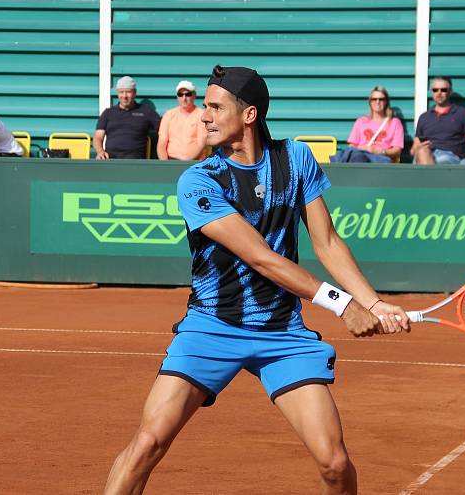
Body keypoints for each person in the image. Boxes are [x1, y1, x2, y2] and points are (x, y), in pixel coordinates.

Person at [105, 66, 410, 495]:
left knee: (335, 464)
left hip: (283, 333)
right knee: (147, 444)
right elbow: (262, 259)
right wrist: (344, 305)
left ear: (248, 115)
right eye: (204, 107)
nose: (203, 117)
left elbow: (327, 242)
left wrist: (374, 303)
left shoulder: (296, 158)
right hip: (212, 327)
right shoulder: (199, 180)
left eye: (215, 107)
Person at [411, 76, 465, 164]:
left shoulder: (462, 114)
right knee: (422, 152)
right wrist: (419, 148)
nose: (439, 93)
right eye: (435, 90)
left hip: (450, 156)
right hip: (426, 154)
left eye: (443, 90)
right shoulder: (424, 117)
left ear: (450, 92)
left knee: (442, 160)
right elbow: (413, 150)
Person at [93, 76, 161, 160]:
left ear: (135, 93)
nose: (124, 95)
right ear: (117, 93)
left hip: (134, 158)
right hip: (109, 157)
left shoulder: (146, 112)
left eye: (128, 92)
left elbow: (163, 128)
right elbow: (98, 137)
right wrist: (100, 152)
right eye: (121, 92)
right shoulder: (108, 113)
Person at [335, 86, 404, 163]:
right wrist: (363, 149)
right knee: (357, 156)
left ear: (386, 102)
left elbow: (397, 150)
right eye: (374, 99)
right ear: (370, 102)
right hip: (359, 155)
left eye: (381, 99)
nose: (377, 102)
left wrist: (381, 151)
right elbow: (352, 146)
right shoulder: (361, 121)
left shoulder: (394, 122)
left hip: (380, 158)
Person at [156, 80, 208, 161]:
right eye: (180, 94)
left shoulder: (202, 115)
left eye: (188, 94)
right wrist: (165, 163)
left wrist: (185, 164)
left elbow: (201, 144)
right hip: (171, 161)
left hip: (195, 162)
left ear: (194, 95)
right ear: (177, 96)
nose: (184, 98)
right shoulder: (169, 115)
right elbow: (162, 143)